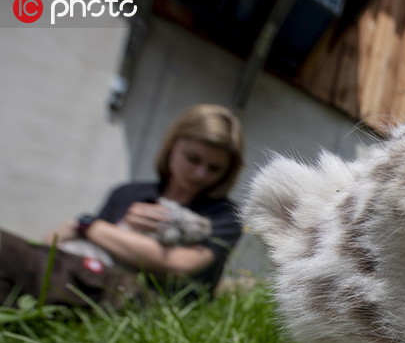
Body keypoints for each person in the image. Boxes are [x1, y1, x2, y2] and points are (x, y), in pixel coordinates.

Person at [0, 104, 245, 308]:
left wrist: (89, 225)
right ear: (172, 146)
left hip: (135, 296)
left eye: (214, 168)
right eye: (193, 159)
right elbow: (59, 239)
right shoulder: (128, 193)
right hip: (83, 270)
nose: (200, 174)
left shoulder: (223, 214)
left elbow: (179, 264)